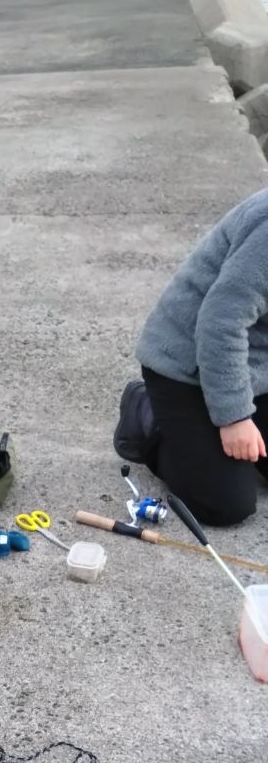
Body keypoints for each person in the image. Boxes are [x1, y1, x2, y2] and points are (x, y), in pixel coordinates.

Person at [115, 188, 268, 526]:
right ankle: (149, 418)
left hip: (257, 368)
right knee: (226, 503)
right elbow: (219, 324)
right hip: (187, 366)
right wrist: (235, 418)